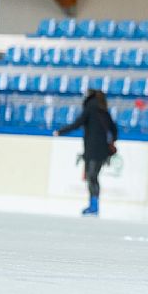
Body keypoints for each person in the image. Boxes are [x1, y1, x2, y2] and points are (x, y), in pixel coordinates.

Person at [54, 89, 118, 217]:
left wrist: (61, 131)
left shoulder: (90, 108)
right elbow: (114, 129)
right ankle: (94, 205)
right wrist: (109, 142)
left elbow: (78, 123)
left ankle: (93, 206)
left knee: (91, 176)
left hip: (92, 148)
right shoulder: (103, 109)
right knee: (93, 176)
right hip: (102, 150)